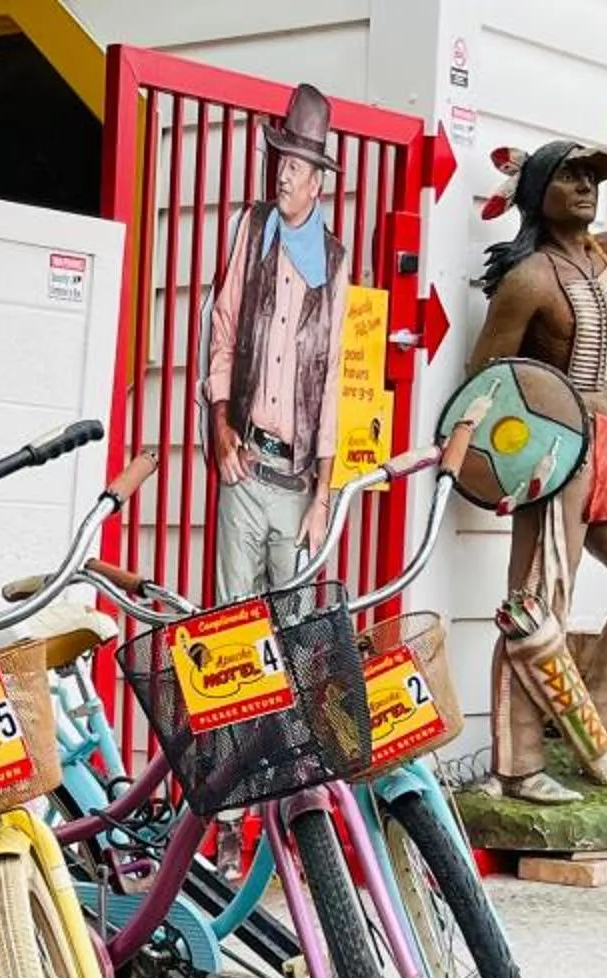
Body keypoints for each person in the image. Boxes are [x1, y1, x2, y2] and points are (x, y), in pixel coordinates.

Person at [468, 139, 607, 803]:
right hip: (550, 453)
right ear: (538, 192)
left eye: (591, 178)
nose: (586, 188)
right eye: (569, 177)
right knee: (536, 608)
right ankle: (517, 766)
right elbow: (486, 379)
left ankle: (599, 736)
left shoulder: (599, 256)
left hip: (602, 449)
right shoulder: (530, 279)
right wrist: (519, 457)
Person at [204, 83, 350, 603]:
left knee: (295, 629)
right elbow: (223, 329)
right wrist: (221, 426)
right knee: (233, 630)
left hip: (296, 484)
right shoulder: (254, 226)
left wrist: (322, 499)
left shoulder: (334, 262)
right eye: (281, 161)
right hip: (245, 466)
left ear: (317, 185)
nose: (283, 174)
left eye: (295, 166)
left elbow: (330, 381)